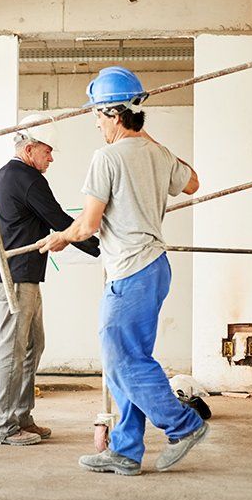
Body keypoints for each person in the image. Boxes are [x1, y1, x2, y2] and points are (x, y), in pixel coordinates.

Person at [40, 66, 206, 476]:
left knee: (121, 361)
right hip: (155, 269)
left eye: (98, 114)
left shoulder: (107, 157)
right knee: (132, 359)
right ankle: (127, 450)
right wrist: (144, 136)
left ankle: (184, 425)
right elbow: (193, 184)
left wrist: (62, 237)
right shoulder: (157, 153)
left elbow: (89, 225)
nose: (96, 122)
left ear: (114, 113)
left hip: (129, 271)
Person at [0, 115, 100, 446]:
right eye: (48, 151)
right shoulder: (26, 178)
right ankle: (2, 426)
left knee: (33, 345)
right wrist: (99, 246)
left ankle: (21, 417)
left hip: (22, 273)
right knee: (14, 349)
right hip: (16, 276)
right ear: (30, 148)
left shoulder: (10, 174)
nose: (51, 158)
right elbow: (59, 219)